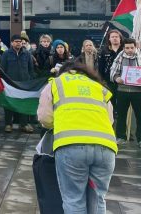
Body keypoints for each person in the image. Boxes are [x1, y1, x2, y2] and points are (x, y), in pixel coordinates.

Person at [37, 62, 117, 214]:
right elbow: (110, 119)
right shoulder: (99, 87)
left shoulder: (55, 83)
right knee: (98, 199)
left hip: (70, 146)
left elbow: (45, 118)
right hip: (105, 147)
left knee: (74, 200)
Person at [110, 37, 141, 148]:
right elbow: (113, 73)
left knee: (140, 116)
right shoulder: (119, 60)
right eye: (127, 48)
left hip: (137, 92)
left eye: (132, 47)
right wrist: (116, 78)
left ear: (136, 47)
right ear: (123, 48)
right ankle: (121, 137)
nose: (129, 50)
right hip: (122, 91)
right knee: (121, 115)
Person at [1, 34, 35, 133]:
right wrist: (4, 82)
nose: (18, 43)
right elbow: (3, 69)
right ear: (12, 43)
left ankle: (23, 124)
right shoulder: (6, 54)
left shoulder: (27, 54)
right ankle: (8, 124)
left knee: (23, 104)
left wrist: (30, 81)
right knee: (9, 104)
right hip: (10, 84)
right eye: (16, 41)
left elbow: (30, 69)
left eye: (20, 41)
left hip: (24, 84)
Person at [99, 29, 123, 106]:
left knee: (121, 102)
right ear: (109, 39)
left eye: (116, 36)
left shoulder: (124, 50)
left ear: (120, 38)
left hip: (122, 80)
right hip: (108, 81)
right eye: (112, 37)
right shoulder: (104, 51)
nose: (114, 38)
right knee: (109, 102)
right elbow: (101, 67)